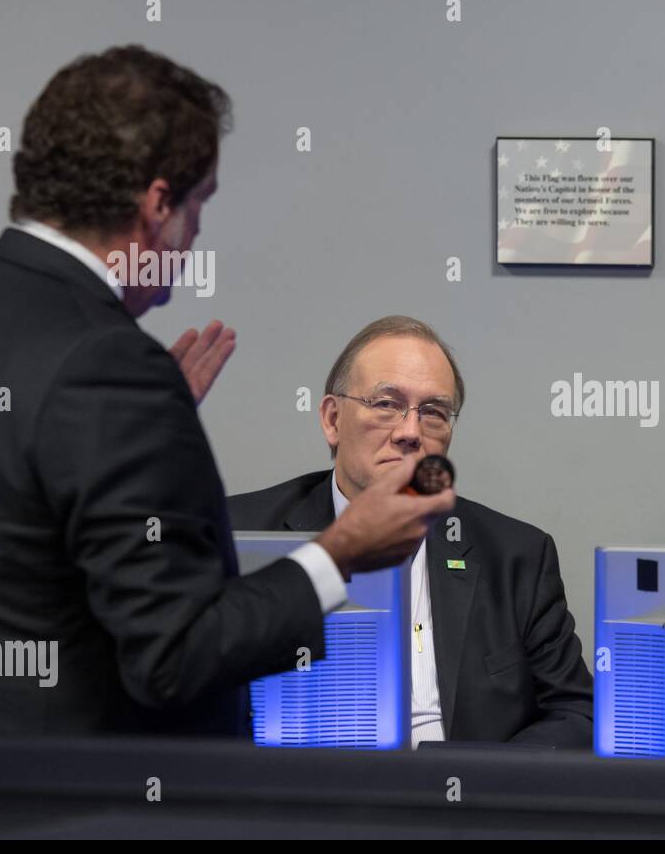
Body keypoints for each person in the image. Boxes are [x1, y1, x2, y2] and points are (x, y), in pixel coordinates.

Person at [0, 46, 452, 736]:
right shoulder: (109, 365)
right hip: (83, 809)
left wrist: (141, 440)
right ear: (158, 204)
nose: (195, 239)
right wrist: (341, 552)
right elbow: (173, 656)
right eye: (200, 206)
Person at [229, 316, 594, 749]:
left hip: (456, 803)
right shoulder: (243, 534)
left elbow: (575, 713)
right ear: (332, 419)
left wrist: (471, 782)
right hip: (299, 796)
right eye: (386, 404)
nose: (409, 432)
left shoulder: (517, 556)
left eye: (434, 413)